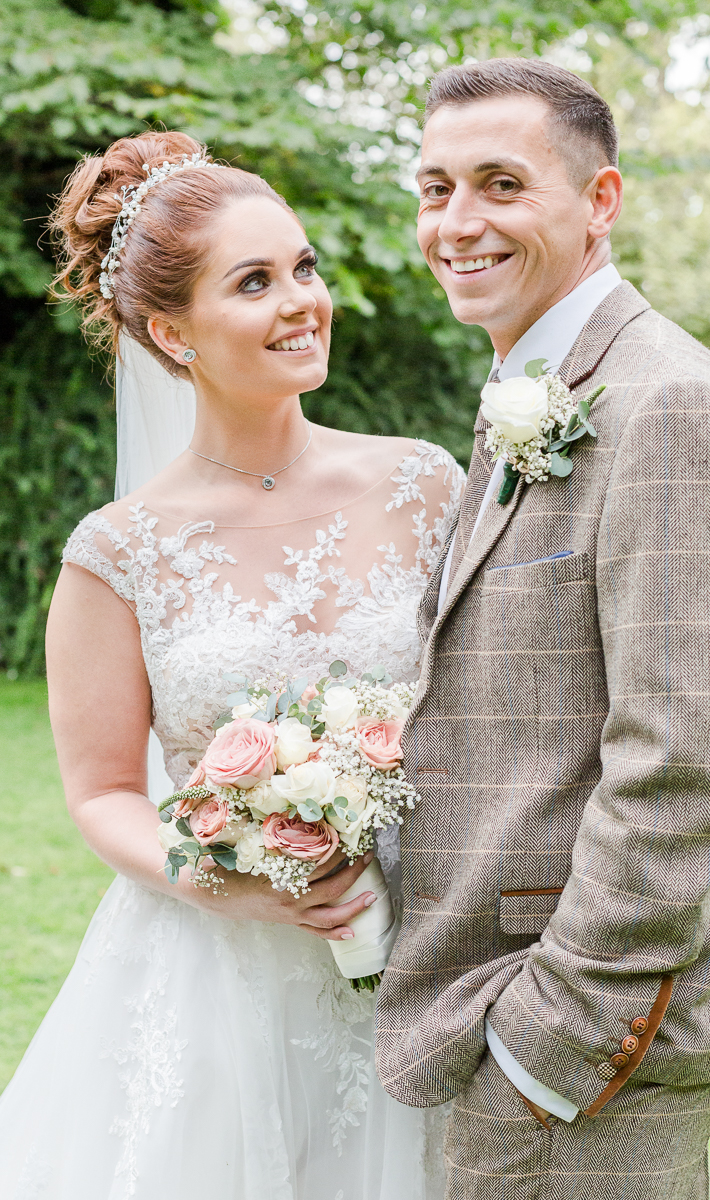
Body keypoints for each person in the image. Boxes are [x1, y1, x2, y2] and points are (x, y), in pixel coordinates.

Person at [0, 129, 463, 1199]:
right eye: (254, 282)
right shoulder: (118, 551)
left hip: (428, 945)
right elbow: (105, 791)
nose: (302, 299)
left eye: (303, 266)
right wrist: (221, 881)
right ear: (171, 330)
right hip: (218, 976)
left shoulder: (423, 487)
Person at [375, 57, 710, 1199]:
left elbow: (685, 767)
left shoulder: (672, 407)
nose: (456, 223)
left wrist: (549, 1045)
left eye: (500, 184)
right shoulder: (532, 386)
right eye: (433, 188)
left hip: (588, 1048)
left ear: (598, 203)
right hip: (496, 1006)